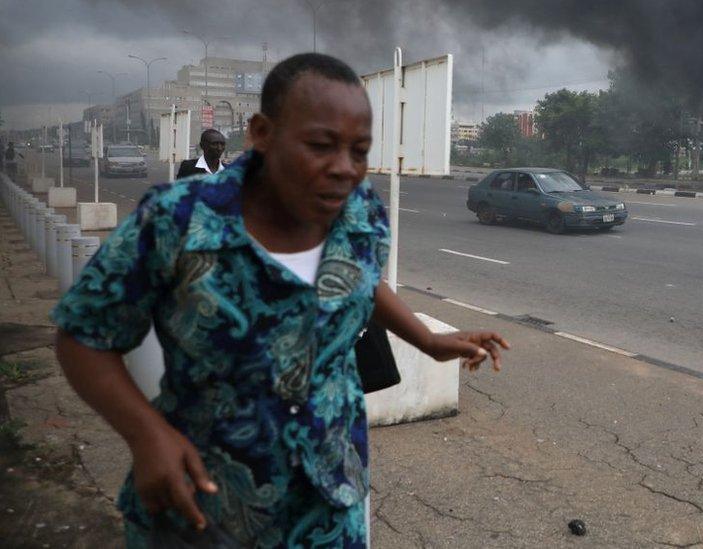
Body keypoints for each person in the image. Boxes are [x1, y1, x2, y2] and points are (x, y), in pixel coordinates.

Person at [52, 53, 510, 548]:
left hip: (328, 506)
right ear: (261, 133)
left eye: (359, 151)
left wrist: (428, 340)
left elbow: (359, 279)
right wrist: (144, 435)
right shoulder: (176, 220)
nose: (344, 169)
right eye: (320, 145)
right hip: (203, 508)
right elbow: (83, 335)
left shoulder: (361, 213)